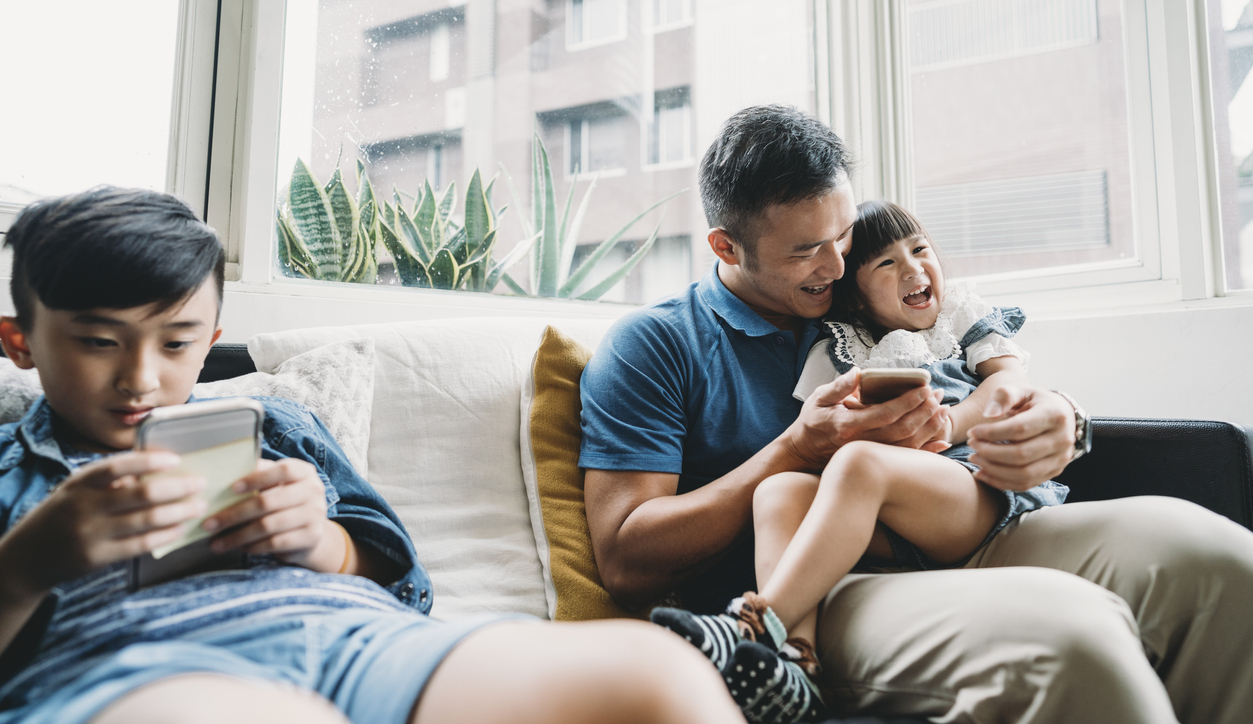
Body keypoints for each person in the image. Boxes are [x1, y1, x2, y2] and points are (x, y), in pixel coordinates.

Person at [579, 104, 1253, 723]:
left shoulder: (865, 288)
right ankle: (772, 643)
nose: (836, 262)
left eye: (842, 236)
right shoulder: (656, 346)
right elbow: (624, 558)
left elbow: (969, 372)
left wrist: (1057, 418)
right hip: (822, 586)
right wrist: (794, 451)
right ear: (726, 247)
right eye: (805, 250)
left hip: (967, 522)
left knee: (1219, 562)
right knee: (1068, 639)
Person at [0, 187, 743, 724]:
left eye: (176, 341)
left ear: (212, 327)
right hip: (135, 664)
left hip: (359, 641)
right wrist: (30, 561)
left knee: (656, 676)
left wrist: (322, 541)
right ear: (21, 341)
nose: (140, 377)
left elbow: (406, 583)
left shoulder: (275, 426)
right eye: (98, 342)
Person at [649, 199, 1069, 722]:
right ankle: (795, 667)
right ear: (857, 296)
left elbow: (1009, 382)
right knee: (777, 491)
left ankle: (752, 625)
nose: (914, 269)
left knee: (860, 467)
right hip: (904, 508)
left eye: (920, 250)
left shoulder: (960, 318)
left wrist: (949, 424)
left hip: (979, 479)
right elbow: (830, 431)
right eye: (886, 264)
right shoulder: (842, 349)